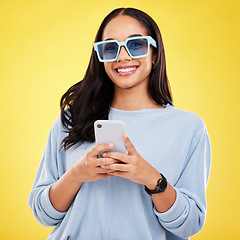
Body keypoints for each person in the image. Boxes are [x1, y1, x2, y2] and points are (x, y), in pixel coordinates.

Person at [28, 7, 211, 240]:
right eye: (110, 48)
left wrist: (152, 179)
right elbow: (44, 215)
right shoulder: (74, 117)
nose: (122, 56)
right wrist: (77, 174)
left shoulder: (188, 128)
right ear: (100, 57)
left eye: (136, 44)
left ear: (154, 54)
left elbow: (190, 225)